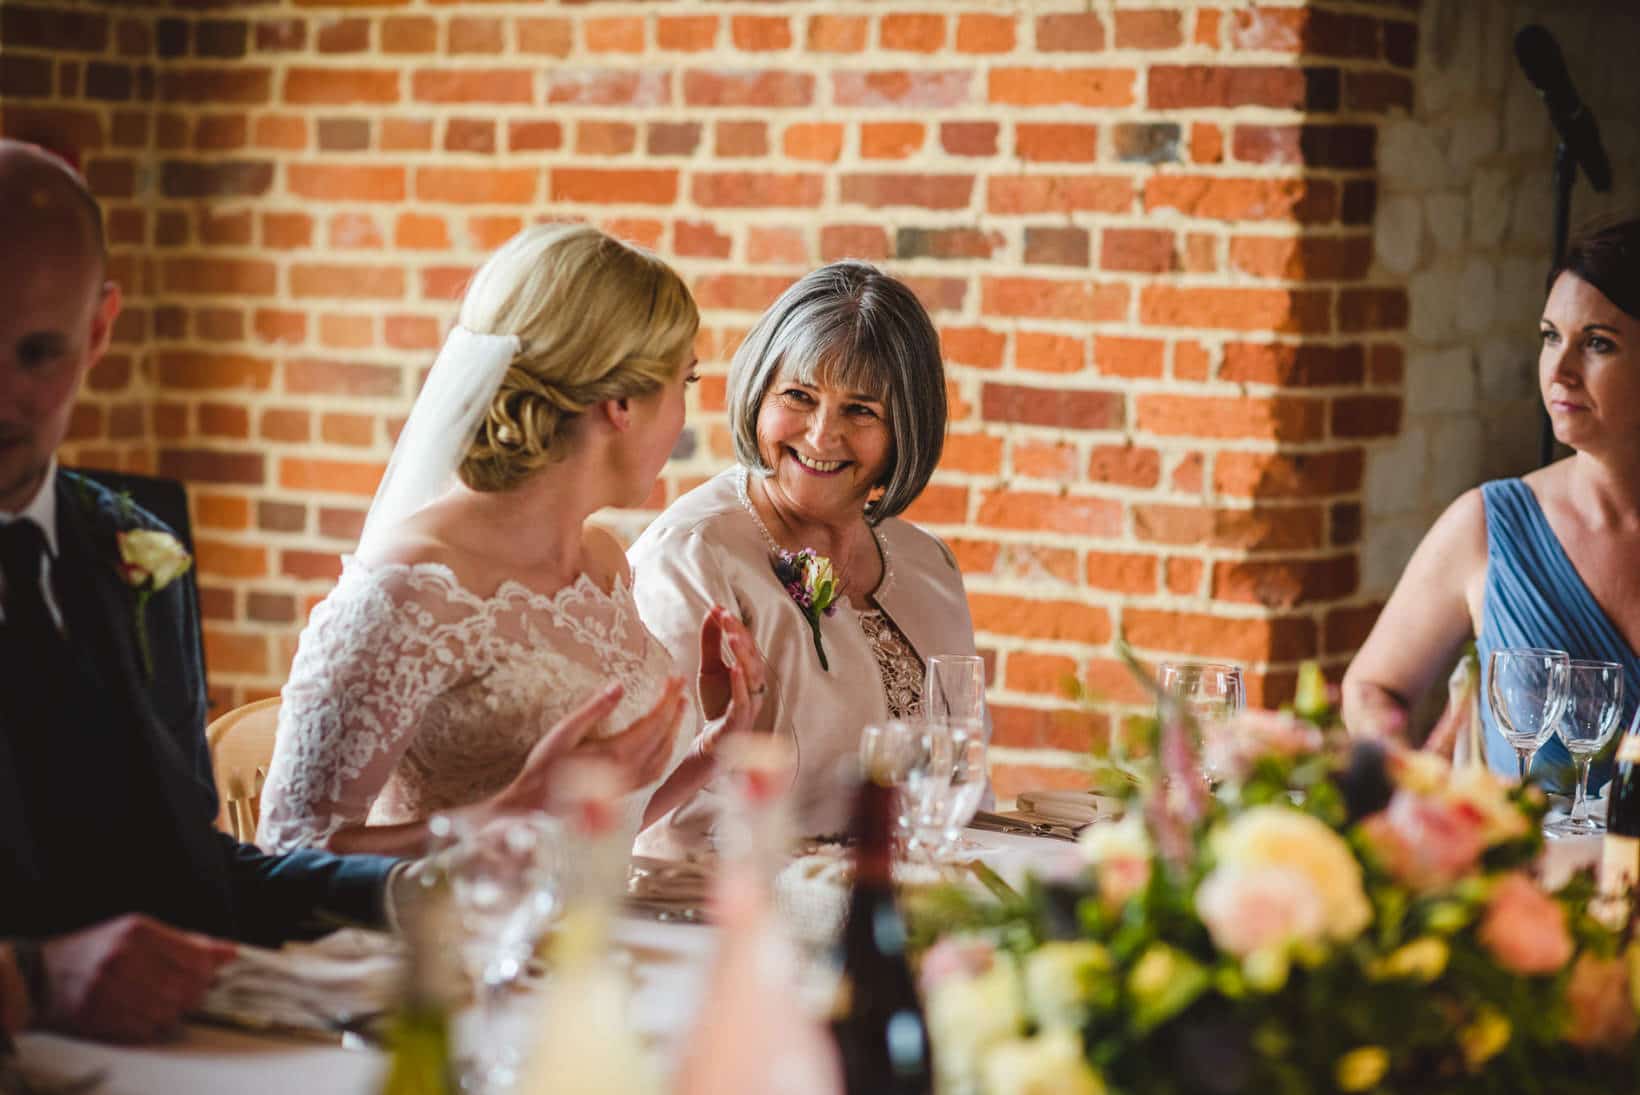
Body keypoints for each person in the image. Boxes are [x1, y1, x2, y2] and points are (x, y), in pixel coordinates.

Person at [0, 139, 407, 1043]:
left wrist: (409, 889)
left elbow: (196, 873)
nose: (2, 396)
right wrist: (34, 973)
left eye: (37, 354)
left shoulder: (135, 544)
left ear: (99, 330)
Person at [257, 224, 766, 859]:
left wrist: (710, 750)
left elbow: (592, 828)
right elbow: (286, 851)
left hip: (577, 939)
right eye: (684, 382)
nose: (686, 418)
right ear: (620, 403)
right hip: (433, 947)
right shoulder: (414, 586)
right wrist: (511, 809)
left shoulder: (604, 564)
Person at [629, 261, 981, 849]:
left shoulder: (928, 565)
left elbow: (966, 781)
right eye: (798, 396)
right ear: (758, 394)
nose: (821, 437)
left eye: (861, 410)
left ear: (907, 429)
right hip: (727, 909)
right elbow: (663, 811)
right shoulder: (692, 557)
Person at [1343, 217, 1640, 788]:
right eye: (1551, 336)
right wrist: (1411, 780)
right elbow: (1371, 686)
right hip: (1533, 876)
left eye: (1597, 343)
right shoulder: (1488, 526)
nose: (1560, 370)